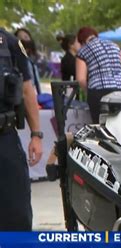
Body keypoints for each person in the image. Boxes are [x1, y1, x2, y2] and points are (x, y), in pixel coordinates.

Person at [0, 28, 43, 230]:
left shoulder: (8, 42)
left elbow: (27, 91)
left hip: (4, 138)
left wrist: (36, 135)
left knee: (15, 213)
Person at [75, 26, 121, 123]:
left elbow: (81, 79)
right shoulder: (114, 46)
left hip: (99, 91)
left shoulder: (83, 51)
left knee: (100, 127)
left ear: (82, 41)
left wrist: (88, 91)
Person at [14, 28, 41, 94]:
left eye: (26, 37)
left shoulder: (32, 60)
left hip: (35, 94)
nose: (23, 39)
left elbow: (36, 81)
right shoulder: (16, 60)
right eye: (20, 38)